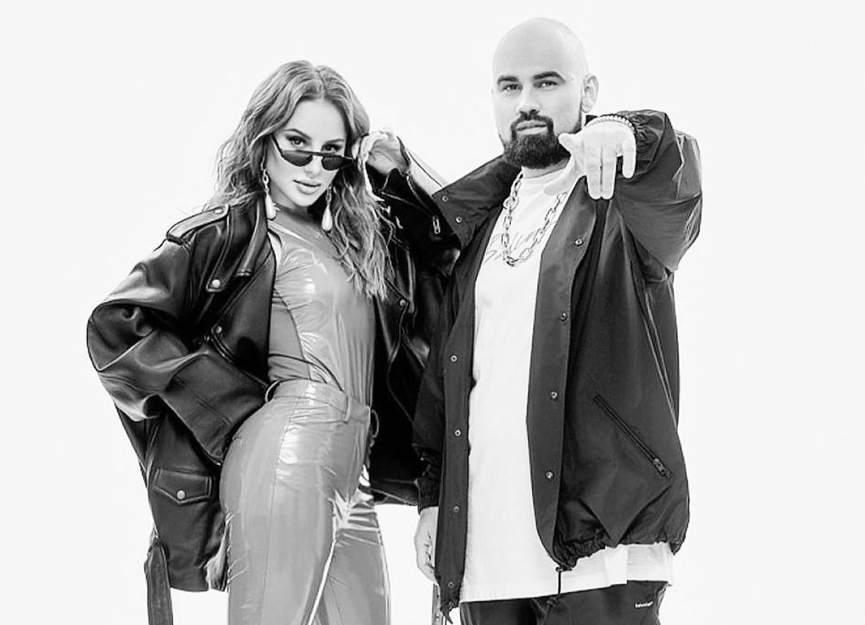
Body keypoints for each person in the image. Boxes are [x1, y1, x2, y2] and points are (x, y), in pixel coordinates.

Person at [86, 60, 450, 625]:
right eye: (297, 145)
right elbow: (115, 326)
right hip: (289, 453)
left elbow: (450, 252)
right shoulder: (236, 231)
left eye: (332, 151)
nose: (314, 166)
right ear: (263, 139)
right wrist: (225, 405)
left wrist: (398, 169)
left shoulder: (354, 241)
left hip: (353, 474)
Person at [412, 18, 703, 625]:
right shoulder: (479, 228)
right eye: (510, 86)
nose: (527, 102)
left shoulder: (622, 198)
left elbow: (676, 171)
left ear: (588, 91)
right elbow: (449, 382)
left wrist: (624, 130)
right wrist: (433, 500)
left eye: (547, 83)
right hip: (488, 554)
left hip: (602, 546)